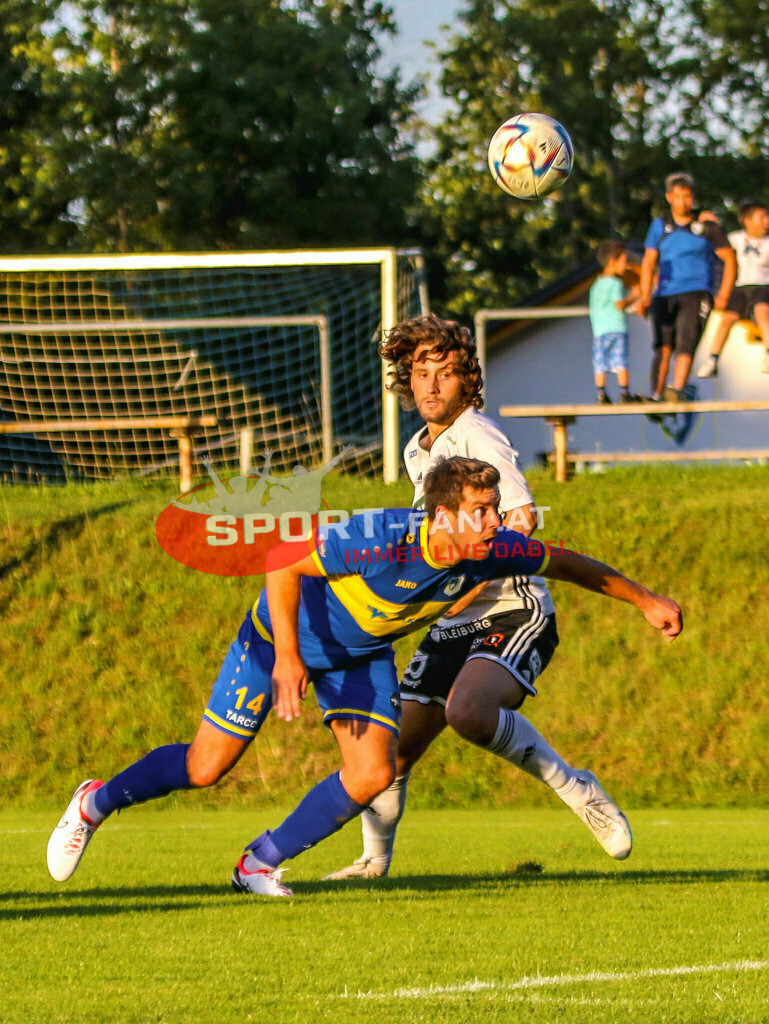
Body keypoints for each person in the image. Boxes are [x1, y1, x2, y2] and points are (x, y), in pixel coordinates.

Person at [46, 456, 683, 897]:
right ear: (444, 515)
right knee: (205, 768)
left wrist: (647, 600)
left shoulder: (493, 551)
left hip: (356, 656)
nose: (500, 521)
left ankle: (258, 863)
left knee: (375, 773)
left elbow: (570, 563)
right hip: (275, 642)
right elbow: (282, 560)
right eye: (485, 510)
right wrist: (290, 658)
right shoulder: (381, 538)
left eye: (496, 510)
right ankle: (92, 804)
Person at [327, 314, 636, 883]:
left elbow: (519, 520)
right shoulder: (419, 450)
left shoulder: (478, 435)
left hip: (512, 606)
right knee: (392, 755)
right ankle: (372, 862)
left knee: (468, 712)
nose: (430, 386)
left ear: (466, 381)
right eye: (420, 373)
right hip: (454, 618)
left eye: (444, 374)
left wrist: (466, 576)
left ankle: (577, 788)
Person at [638, 172, 736, 401]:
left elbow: (730, 259)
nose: (683, 202)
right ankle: (656, 395)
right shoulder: (660, 226)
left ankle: (677, 389)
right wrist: (644, 296)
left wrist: (723, 294)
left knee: (686, 342)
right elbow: (648, 261)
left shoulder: (705, 226)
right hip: (664, 293)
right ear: (669, 197)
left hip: (697, 291)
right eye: (679, 197)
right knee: (663, 345)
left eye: (688, 197)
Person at [697, 200, 769, 378]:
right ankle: (712, 360)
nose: (767, 221)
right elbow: (716, 241)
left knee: (762, 311)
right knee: (727, 319)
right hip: (740, 287)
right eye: (762, 217)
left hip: (763, 286)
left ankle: (768, 354)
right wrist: (708, 223)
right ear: (748, 221)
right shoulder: (735, 238)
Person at [588, 241, 640, 404]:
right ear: (613, 262)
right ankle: (624, 393)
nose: (626, 266)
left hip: (599, 331)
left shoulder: (595, 286)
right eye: (624, 261)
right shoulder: (615, 283)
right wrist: (634, 295)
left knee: (600, 362)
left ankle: (601, 394)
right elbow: (619, 305)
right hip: (616, 328)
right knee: (620, 362)